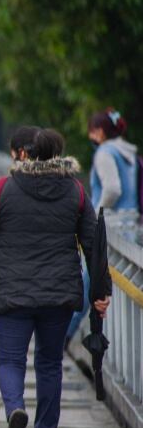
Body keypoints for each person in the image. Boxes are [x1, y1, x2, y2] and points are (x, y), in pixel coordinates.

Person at [0, 128, 108, 428]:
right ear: (59, 153)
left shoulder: (4, 188)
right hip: (58, 294)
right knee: (49, 362)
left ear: (26, 153)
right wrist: (100, 292)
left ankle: (15, 410)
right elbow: (93, 246)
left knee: (10, 360)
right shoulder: (76, 192)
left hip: (12, 291)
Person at [66, 109, 138, 342]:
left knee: (88, 284)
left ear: (98, 131)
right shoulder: (128, 153)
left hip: (109, 228)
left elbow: (113, 189)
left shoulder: (105, 153)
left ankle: (63, 336)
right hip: (130, 226)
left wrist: (95, 214)